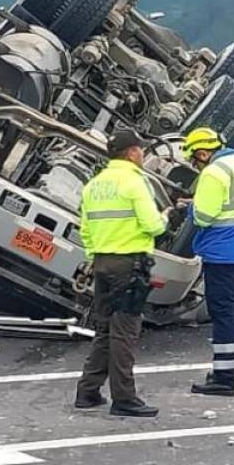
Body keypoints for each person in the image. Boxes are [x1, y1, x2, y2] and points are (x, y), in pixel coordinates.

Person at [74, 130, 165, 418]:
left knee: (104, 329)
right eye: (140, 149)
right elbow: (153, 225)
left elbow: (85, 230)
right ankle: (124, 398)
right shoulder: (135, 182)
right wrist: (167, 218)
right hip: (129, 264)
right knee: (125, 332)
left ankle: (87, 392)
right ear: (130, 152)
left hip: (102, 262)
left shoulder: (94, 185)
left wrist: (97, 254)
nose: (143, 154)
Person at [181, 127, 234, 397]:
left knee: (221, 314)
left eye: (195, 159)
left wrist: (190, 208)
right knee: (233, 311)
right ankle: (227, 368)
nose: (195, 165)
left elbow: (204, 217)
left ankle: (224, 377)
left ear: (203, 153)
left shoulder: (214, 173)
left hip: (221, 253)